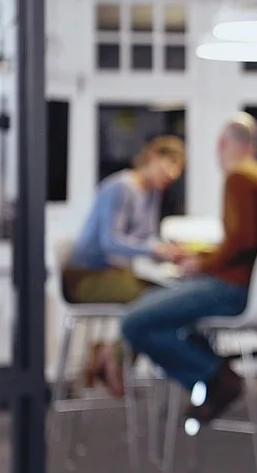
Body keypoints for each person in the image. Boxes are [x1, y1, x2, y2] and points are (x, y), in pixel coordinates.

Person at [120, 112, 257, 422]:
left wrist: (202, 264)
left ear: (222, 144)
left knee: (134, 322)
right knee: (167, 319)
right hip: (246, 286)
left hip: (232, 289)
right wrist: (204, 257)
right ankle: (215, 375)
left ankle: (215, 377)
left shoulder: (240, 176)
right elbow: (243, 241)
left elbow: (241, 240)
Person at [62, 135, 185, 396]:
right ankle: (112, 356)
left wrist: (169, 250)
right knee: (156, 304)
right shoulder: (119, 187)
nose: (172, 173)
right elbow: (110, 242)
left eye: (177, 169)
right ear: (154, 157)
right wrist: (153, 249)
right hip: (87, 276)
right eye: (169, 164)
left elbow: (146, 239)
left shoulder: (152, 194)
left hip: (116, 273)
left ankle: (110, 354)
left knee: (170, 298)